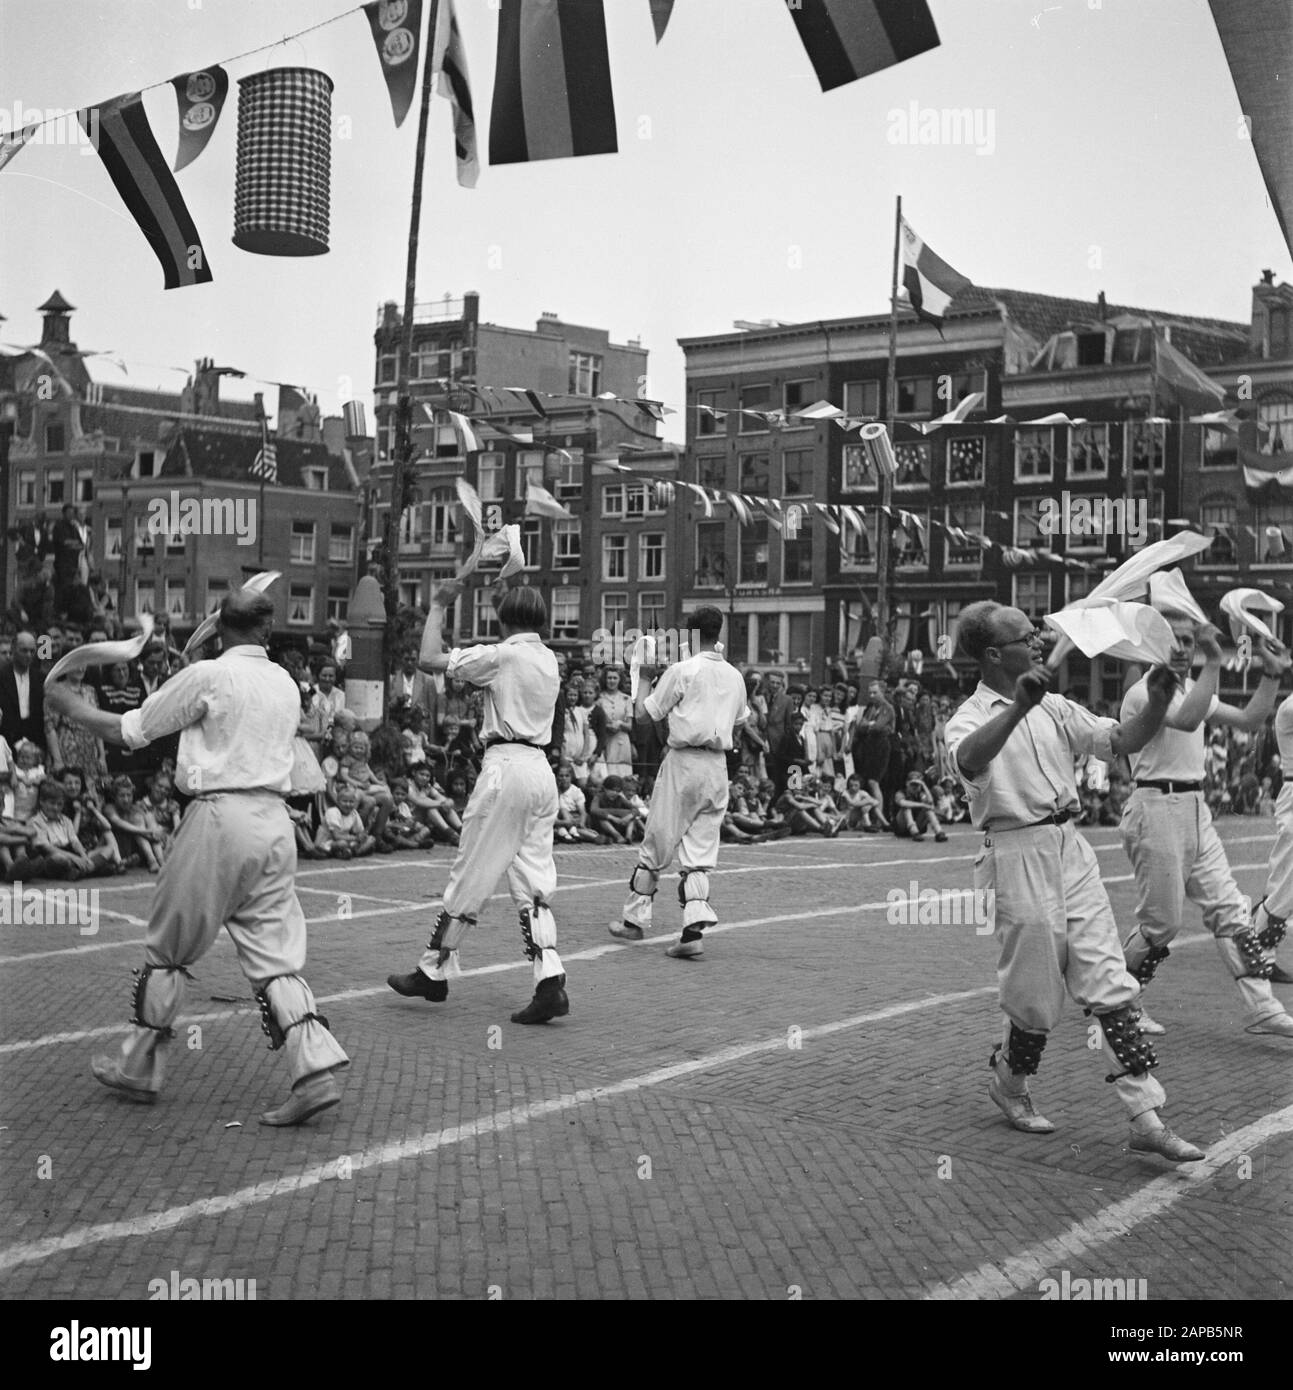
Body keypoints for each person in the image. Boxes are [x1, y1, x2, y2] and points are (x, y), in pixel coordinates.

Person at [42, 586, 349, 1125]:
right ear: (265, 630)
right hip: (275, 823)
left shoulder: (208, 676)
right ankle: (314, 1072)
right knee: (275, 956)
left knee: (169, 947)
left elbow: (128, 730)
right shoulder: (284, 683)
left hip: (219, 817)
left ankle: (138, 1067)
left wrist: (68, 703)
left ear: (220, 627)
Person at [945, 600, 1205, 1162]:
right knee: (1035, 998)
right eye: (1025, 635)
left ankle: (1145, 1117)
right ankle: (1009, 1084)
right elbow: (969, 758)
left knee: (1109, 979)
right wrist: (1017, 707)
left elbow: (1119, 741)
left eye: (1038, 631)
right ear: (994, 654)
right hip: (1014, 852)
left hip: (1070, 846)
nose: (1038, 639)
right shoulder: (969, 716)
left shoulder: (1056, 705)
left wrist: (1157, 703)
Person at [387, 583, 569, 1024]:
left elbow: (429, 658)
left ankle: (433, 970)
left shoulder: (501, 656)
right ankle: (550, 981)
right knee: (533, 880)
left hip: (505, 767)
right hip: (541, 770)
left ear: (504, 620)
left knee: (471, 870)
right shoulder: (549, 659)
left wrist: (437, 605)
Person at [1118, 615, 1293, 1038]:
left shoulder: (1186, 689)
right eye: (1170, 640)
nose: (1180, 648)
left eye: (1185, 640)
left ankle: (1263, 1011)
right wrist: (1213, 663)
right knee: (1162, 925)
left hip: (1195, 806)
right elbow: (1187, 720)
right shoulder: (1144, 693)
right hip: (1155, 807)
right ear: (1149, 647)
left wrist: (1271, 674)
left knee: (1232, 910)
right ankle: (1121, 1002)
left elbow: (1250, 719)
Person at [610, 606, 748, 959]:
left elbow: (643, 715)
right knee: (700, 852)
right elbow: (742, 722)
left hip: (684, 760)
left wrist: (643, 677)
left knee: (658, 837)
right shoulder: (735, 675)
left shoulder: (682, 670)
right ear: (719, 632)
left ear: (690, 634)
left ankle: (635, 919)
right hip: (717, 765)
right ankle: (691, 932)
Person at [0, 630, 46, 750]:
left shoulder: (40, 678)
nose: (29, 655)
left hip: (35, 741)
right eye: (24, 650)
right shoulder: (2, 676)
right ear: (13, 649)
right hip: (6, 741)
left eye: (32, 651)